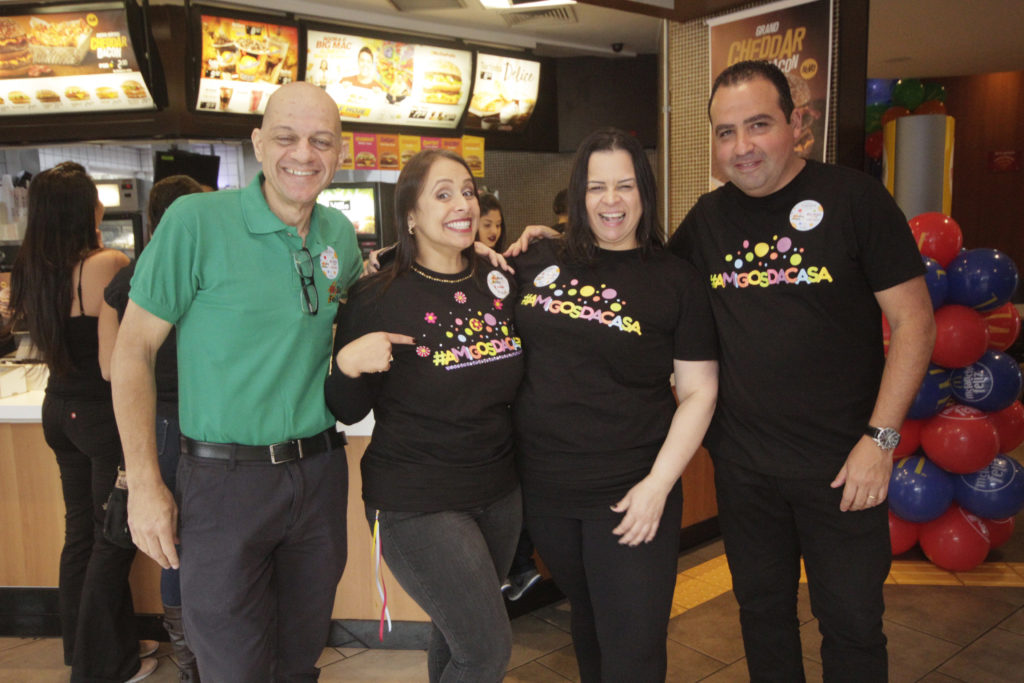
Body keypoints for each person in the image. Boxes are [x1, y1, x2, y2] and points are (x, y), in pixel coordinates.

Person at [667, 60, 935, 681]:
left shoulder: (855, 199)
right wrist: (556, 246)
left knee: (852, 625)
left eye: (758, 125)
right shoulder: (707, 221)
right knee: (761, 615)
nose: (742, 146)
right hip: (745, 469)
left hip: (845, 468)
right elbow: (640, 280)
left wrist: (881, 441)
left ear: (797, 124)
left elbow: (917, 325)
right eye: (726, 131)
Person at [110, 82, 363, 681]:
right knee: (232, 667)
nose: (303, 154)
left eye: (321, 141)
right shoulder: (195, 221)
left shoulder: (339, 236)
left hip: (320, 475)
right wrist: (144, 484)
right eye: (286, 137)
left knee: (300, 661)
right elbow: (132, 352)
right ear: (256, 143)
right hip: (224, 485)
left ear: (340, 152)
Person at [513, 128, 719, 681]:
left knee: (633, 647)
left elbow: (699, 392)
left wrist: (657, 486)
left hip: (631, 490)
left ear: (645, 193)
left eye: (625, 185)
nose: (611, 200)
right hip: (547, 491)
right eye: (597, 186)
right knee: (589, 621)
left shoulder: (675, 279)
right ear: (578, 195)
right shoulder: (538, 257)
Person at [326, 149, 523, 682]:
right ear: (409, 214)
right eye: (442, 194)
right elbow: (346, 408)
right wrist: (346, 364)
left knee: (454, 634)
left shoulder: (499, 280)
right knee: (486, 650)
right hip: (417, 500)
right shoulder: (376, 294)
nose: (462, 204)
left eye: (467, 191)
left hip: (499, 493)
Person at [6, 162, 157, 682]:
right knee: (112, 542)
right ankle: (101, 668)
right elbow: (114, 362)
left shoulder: (32, 267)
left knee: (82, 536)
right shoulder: (105, 262)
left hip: (58, 410)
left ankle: (90, 650)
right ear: (84, 206)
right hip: (100, 417)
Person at [99, 174, 204, 682]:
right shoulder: (193, 266)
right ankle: (194, 662)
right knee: (182, 543)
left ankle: (192, 665)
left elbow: (108, 363)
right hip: (186, 419)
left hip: (158, 420)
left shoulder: (128, 276)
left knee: (175, 546)